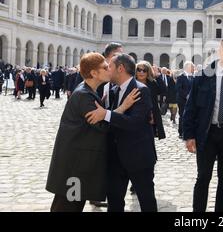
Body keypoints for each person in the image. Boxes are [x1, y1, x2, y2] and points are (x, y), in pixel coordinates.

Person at [46, 52, 139, 212]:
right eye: (105, 67)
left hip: (78, 163)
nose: (110, 69)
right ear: (94, 73)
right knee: (68, 207)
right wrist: (123, 107)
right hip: (74, 166)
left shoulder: (88, 92)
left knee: (73, 205)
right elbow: (103, 125)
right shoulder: (84, 96)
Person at [85, 54, 158, 212]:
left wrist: (106, 114)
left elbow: (134, 123)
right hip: (115, 158)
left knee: (147, 202)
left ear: (120, 69)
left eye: (109, 67)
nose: (107, 70)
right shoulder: (111, 90)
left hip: (138, 158)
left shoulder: (141, 90)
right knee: (115, 203)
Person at [183, 37, 223, 212]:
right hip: (207, 132)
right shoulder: (204, 75)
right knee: (203, 177)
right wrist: (189, 135)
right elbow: (190, 106)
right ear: (218, 51)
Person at [135, 60, 165, 140]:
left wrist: (158, 76)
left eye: (144, 70)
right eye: (139, 70)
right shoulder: (131, 83)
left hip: (150, 118)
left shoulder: (152, 83)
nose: (141, 72)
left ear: (148, 72)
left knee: (149, 141)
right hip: (135, 117)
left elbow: (163, 91)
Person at [176, 61, 195, 138]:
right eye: (192, 67)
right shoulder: (181, 77)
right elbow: (178, 89)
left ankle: (189, 132)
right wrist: (186, 96)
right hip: (182, 100)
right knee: (182, 116)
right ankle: (181, 132)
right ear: (188, 68)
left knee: (191, 116)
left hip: (192, 101)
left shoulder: (194, 77)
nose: (194, 68)